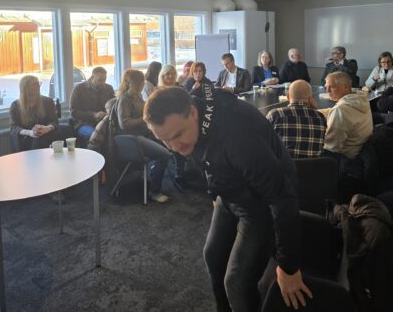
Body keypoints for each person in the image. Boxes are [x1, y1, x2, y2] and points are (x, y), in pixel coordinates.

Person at [144, 86, 312, 311]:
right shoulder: (193, 119)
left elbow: (282, 198)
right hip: (229, 189)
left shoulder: (237, 135)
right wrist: (214, 192)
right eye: (164, 140)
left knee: (236, 282)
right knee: (213, 257)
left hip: (260, 202)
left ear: (193, 113)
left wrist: (288, 267)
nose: (174, 147)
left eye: (177, 135)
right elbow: (209, 156)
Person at [116, 68, 170, 203]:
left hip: (142, 135)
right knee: (164, 155)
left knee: (168, 142)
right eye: (140, 83)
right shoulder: (124, 99)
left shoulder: (138, 96)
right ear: (133, 83)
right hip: (132, 140)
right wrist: (144, 119)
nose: (142, 85)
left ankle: (153, 174)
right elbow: (124, 124)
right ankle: (154, 191)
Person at [266, 80, 326, 158]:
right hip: (314, 165)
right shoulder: (320, 117)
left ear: (288, 96)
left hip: (283, 164)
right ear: (310, 99)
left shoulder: (275, 115)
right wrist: (315, 110)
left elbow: (264, 141)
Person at [10, 75, 71, 151]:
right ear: (26, 88)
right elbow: (14, 127)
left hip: (47, 134)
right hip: (27, 137)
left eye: (38, 83)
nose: (38, 86)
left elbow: (54, 121)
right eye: (34, 84)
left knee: (42, 138)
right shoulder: (15, 105)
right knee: (36, 139)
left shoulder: (48, 101)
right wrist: (30, 132)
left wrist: (46, 128)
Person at [320, 72, 373, 159]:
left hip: (344, 159)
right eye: (326, 87)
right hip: (359, 152)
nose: (327, 91)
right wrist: (315, 112)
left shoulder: (341, 110)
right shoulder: (359, 100)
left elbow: (331, 147)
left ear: (345, 86)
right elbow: (333, 111)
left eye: (332, 87)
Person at [69, 66, 115, 144]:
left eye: (104, 80)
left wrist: (106, 113)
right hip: (83, 123)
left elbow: (114, 107)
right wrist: (93, 115)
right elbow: (73, 112)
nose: (102, 83)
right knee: (95, 135)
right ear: (92, 77)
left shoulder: (108, 88)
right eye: (100, 80)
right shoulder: (79, 89)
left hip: (104, 122)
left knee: (114, 134)